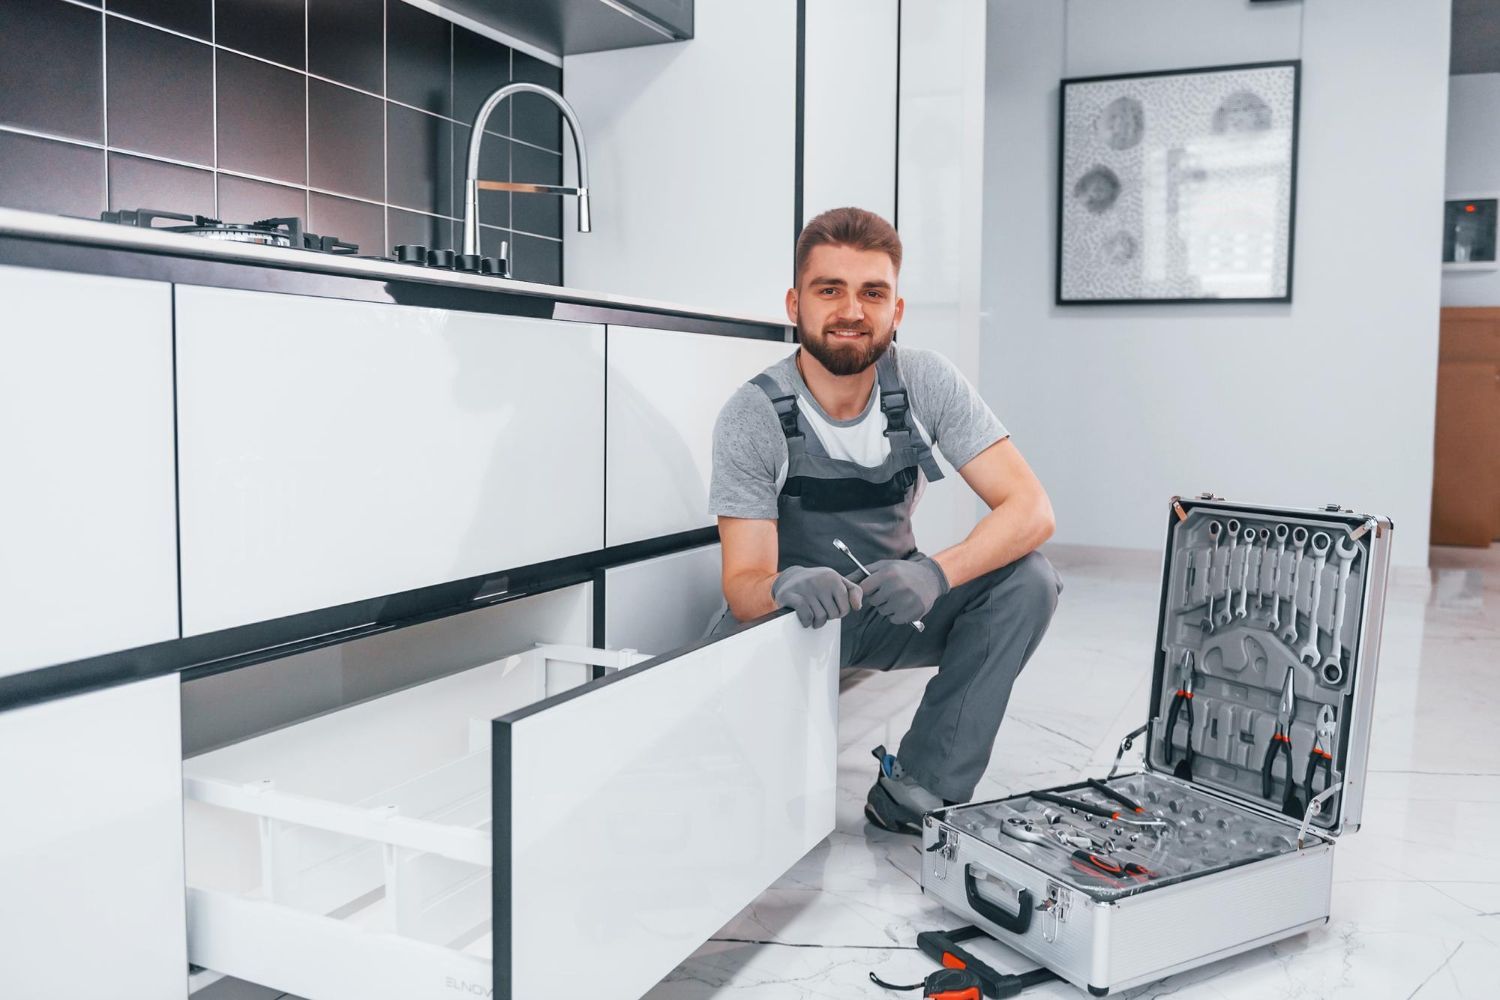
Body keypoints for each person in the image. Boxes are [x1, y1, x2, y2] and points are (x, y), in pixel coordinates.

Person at [705, 206, 1063, 835]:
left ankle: (918, 788)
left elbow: (1031, 510)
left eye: (873, 293)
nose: (851, 310)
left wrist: (934, 573)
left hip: (899, 607)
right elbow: (742, 584)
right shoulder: (752, 414)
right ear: (795, 304)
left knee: (1029, 580)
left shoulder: (925, 382)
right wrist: (782, 584)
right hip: (795, 621)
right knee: (752, 812)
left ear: (896, 311)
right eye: (829, 290)